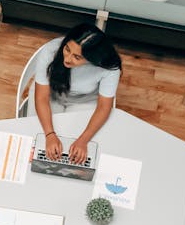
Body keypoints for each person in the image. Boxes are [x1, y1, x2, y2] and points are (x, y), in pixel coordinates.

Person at [34, 23, 122, 165]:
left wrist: (83, 140)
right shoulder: (51, 51)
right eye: (67, 49)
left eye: (77, 57)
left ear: (92, 59)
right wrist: (50, 134)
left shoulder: (109, 68)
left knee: (82, 146)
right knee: (38, 137)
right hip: (52, 95)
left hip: (84, 101)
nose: (67, 59)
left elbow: (104, 107)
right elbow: (41, 97)